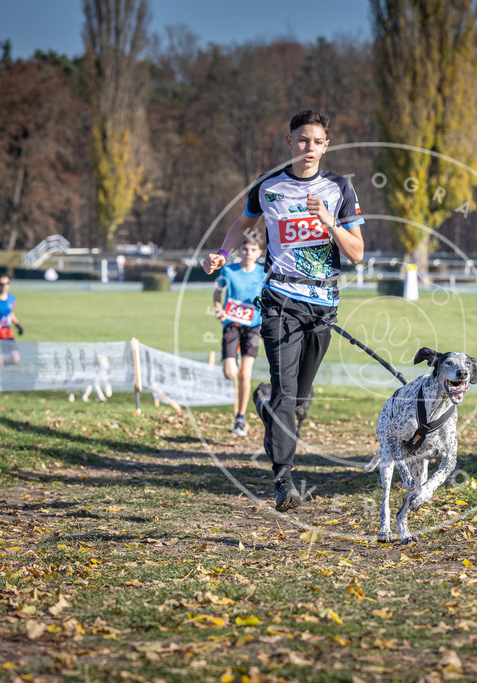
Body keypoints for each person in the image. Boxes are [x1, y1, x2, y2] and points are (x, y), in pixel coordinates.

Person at [202, 110, 365, 512]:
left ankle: (264, 405)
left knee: (299, 400)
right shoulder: (268, 186)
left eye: (317, 141)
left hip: (323, 306)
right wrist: (223, 254)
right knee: (286, 391)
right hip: (279, 301)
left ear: (327, 145)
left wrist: (328, 221)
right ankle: (283, 482)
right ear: (289, 142)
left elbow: (358, 254)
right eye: (302, 140)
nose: (309, 148)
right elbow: (242, 225)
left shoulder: (339, 188)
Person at [213, 230, 265, 436]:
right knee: (230, 372)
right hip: (232, 325)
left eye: (253, 249)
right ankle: (237, 411)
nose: (248, 253)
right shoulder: (228, 271)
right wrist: (218, 307)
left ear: (259, 252)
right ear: (239, 250)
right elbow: (218, 291)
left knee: (245, 374)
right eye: (245, 249)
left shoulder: (263, 273)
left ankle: (240, 419)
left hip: (253, 326)